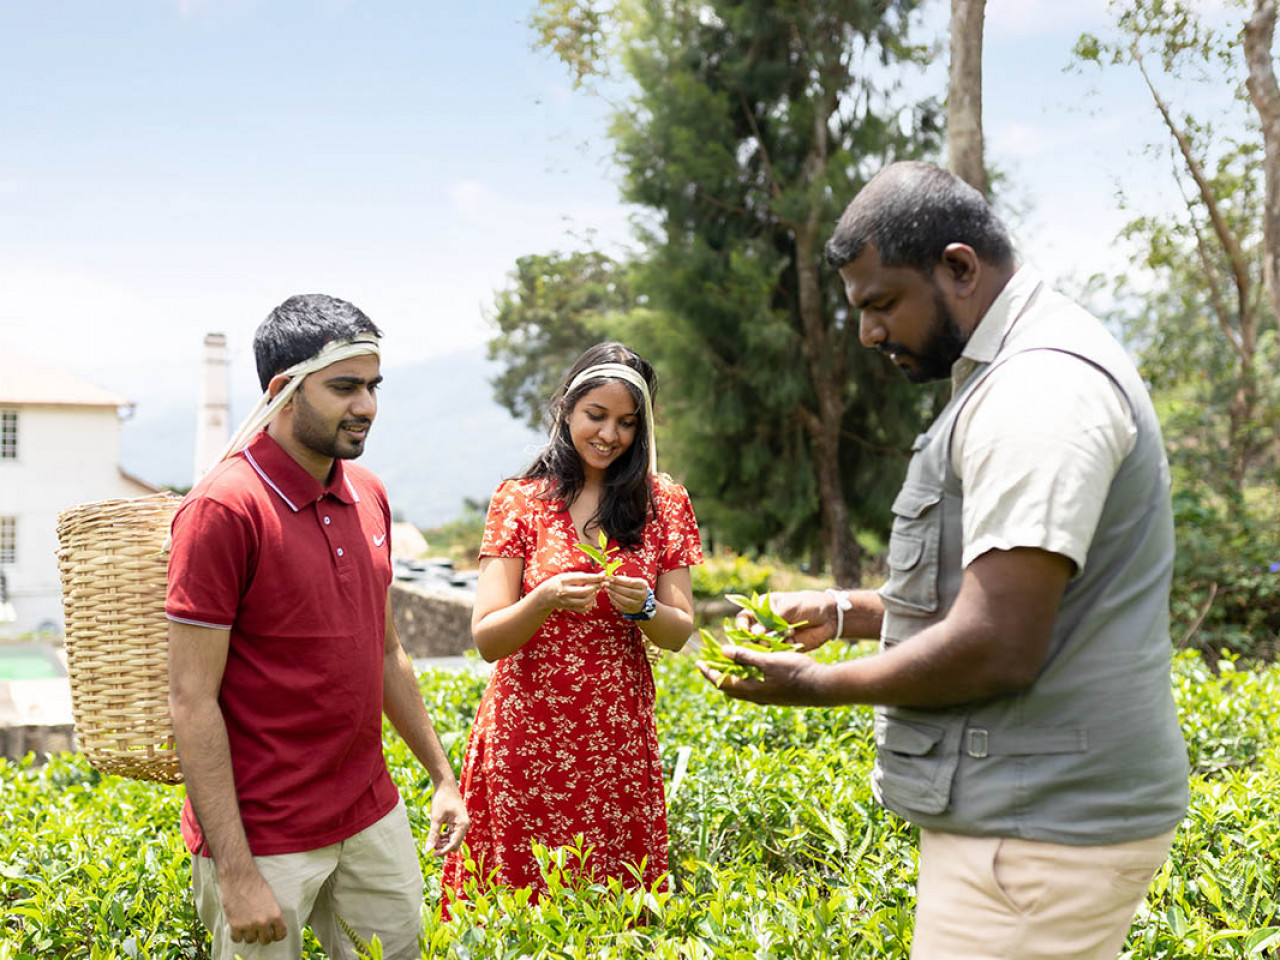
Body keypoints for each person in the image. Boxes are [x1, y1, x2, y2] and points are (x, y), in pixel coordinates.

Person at [700, 162, 1190, 960]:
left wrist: (815, 687)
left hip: (1036, 834)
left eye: (882, 304)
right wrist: (844, 612)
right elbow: (1011, 596)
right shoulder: (1016, 370)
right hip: (1029, 824)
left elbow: (1000, 640)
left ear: (959, 267)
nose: (868, 334)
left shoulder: (1040, 391)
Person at [166, 294, 468, 960]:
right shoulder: (223, 509)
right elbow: (191, 700)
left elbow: (385, 653)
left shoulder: (369, 493)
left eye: (373, 386)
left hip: (371, 814)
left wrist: (442, 777)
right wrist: (236, 873)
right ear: (283, 390)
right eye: (344, 387)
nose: (367, 405)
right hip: (264, 837)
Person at [441, 342, 702, 897]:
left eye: (627, 423)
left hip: (615, 739)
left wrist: (644, 607)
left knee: (612, 903)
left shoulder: (662, 503)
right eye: (596, 415)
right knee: (518, 902)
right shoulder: (521, 501)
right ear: (566, 409)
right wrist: (542, 600)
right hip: (526, 734)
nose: (610, 434)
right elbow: (487, 638)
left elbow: (680, 630)